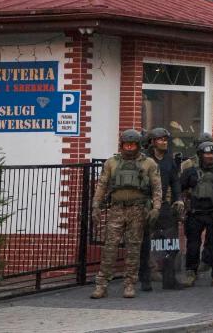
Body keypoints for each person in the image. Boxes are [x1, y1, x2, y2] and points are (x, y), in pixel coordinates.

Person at [90, 129, 162, 299]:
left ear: (138, 146)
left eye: (133, 145)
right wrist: (96, 206)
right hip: (116, 209)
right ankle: (102, 284)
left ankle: (130, 284)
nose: (129, 148)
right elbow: (102, 185)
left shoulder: (149, 163)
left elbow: (157, 188)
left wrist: (156, 208)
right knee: (110, 247)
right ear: (121, 145)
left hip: (137, 210)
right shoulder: (111, 163)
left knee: (133, 248)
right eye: (126, 145)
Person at [138, 127, 182, 291]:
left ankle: (169, 278)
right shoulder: (144, 160)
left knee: (171, 242)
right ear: (152, 142)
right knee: (145, 243)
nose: (164, 142)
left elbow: (175, 182)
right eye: (160, 139)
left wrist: (179, 200)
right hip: (146, 204)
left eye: (165, 139)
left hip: (164, 204)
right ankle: (145, 279)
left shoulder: (169, 160)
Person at [180, 141, 213, 288]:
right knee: (193, 245)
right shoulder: (191, 172)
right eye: (206, 154)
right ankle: (190, 273)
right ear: (200, 155)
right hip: (195, 213)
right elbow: (179, 188)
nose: (209, 156)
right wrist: (181, 204)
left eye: (212, 154)